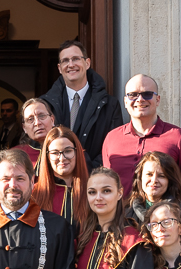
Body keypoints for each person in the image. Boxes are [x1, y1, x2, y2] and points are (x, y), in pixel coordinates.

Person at [101, 75, 181, 210]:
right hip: (121, 225)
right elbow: (107, 184)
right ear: (125, 101)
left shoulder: (179, 139)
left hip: (162, 226)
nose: (140, 99)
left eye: (147, 94)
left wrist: (177, 217)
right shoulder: (112, 138)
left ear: (158, 100)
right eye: (133, 95)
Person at [41, 40, 122, 171]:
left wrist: (90, 171)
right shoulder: (45, 105)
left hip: (93, 181)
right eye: (65, 60)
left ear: (87, 63)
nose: (71, 65)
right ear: (59, 68)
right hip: (56, 181)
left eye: (75, 59)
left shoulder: (110, 105)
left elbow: (114, 147)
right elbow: (37, 142)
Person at [124, 152, 181, 250]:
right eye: (149, 174)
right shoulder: (126, 212)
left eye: (161, 176)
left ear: (170, 180)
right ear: (140, 178)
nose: (154, 180)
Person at [31, 126, 90, 229]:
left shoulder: (92, 192)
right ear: (47, 157)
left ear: (77, 152)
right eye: (55, 153)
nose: (62, 158)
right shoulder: (34, 193)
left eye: (68, 151)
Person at [17, 97, 56, 166]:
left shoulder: (65, 150)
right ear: (24, 127)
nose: (37, 123)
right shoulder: (17, 155)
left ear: (52, 120)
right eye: (30, 119)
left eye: (41, 116)